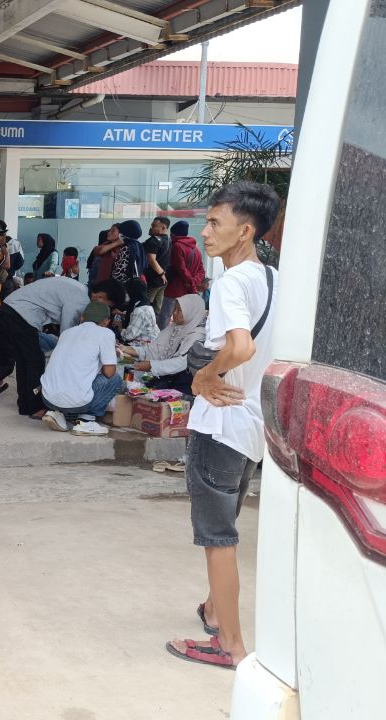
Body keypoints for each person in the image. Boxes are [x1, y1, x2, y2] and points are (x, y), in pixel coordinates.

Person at [166, 181, 279, 670]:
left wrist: (203, 376)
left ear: (245, 230)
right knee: (226, 527)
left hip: (222, 425)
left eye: (216, 223)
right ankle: (214, 610)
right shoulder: (270, 278)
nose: (205, 232)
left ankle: (230, 645)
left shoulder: (231, 282)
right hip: (252, 424)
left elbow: (240, 347)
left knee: (217, 538)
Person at [1, 276, 125, 417]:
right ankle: (35, 407)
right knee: (34, 361)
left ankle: (25, 405)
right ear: (100, 296)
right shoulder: (80, 299)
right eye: (106, 305)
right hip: (21, 311)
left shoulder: (80, 290)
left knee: (24, 360)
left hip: (12, 306)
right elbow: (67, 333)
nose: (103, 309)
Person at [40, 301, 125, 437]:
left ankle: (59, 415)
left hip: (48, 398)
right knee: (115, 380)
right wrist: (109, 357)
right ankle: (86, 421)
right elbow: (109, 373)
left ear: (82, 317)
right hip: (75, 401)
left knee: (73, 378)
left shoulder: (67, 332)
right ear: (106, 321)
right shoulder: (105, 333)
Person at [119, 294, 206, 395]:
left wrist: (152, 366)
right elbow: (153, 349)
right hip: (163, 377)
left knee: (141, 389)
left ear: (191, 312)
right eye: (174, 309)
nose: (174, 313)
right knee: (126, 375)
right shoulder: (173, 328)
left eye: (179, 310)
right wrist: (126, 349)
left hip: (181, 385)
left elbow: (181, 363)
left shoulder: (197, 335)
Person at [164, 220, 206, 324]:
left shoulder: (177, 246)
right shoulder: (196, 249)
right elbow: (201, 270)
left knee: (165, 317)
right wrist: (194, 284)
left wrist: (191, 283)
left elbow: (181, 269)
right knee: (183, 319)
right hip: (188, 292)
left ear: (173, 234)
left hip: (175, 289)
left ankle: (162, 340)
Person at [142, 216, 172, 326]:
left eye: (154, 226)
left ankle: (145, 329)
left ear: (163, 227)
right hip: (162, 282)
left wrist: (161, 273)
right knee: (157, 308)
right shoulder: (168, 240)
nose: (151, 228)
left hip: (153, 280)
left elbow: (151, 259)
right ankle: (155, 330)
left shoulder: (154, 241)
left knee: (145, 306)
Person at [119, 278, 159, 345]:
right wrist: (122, 314)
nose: (125, 294)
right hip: (151, 339)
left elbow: (128, 336)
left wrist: (119, 327)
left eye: (127, 291)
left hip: (144, 344)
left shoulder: (140, 311)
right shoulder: (145, 304)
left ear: (132, 292)